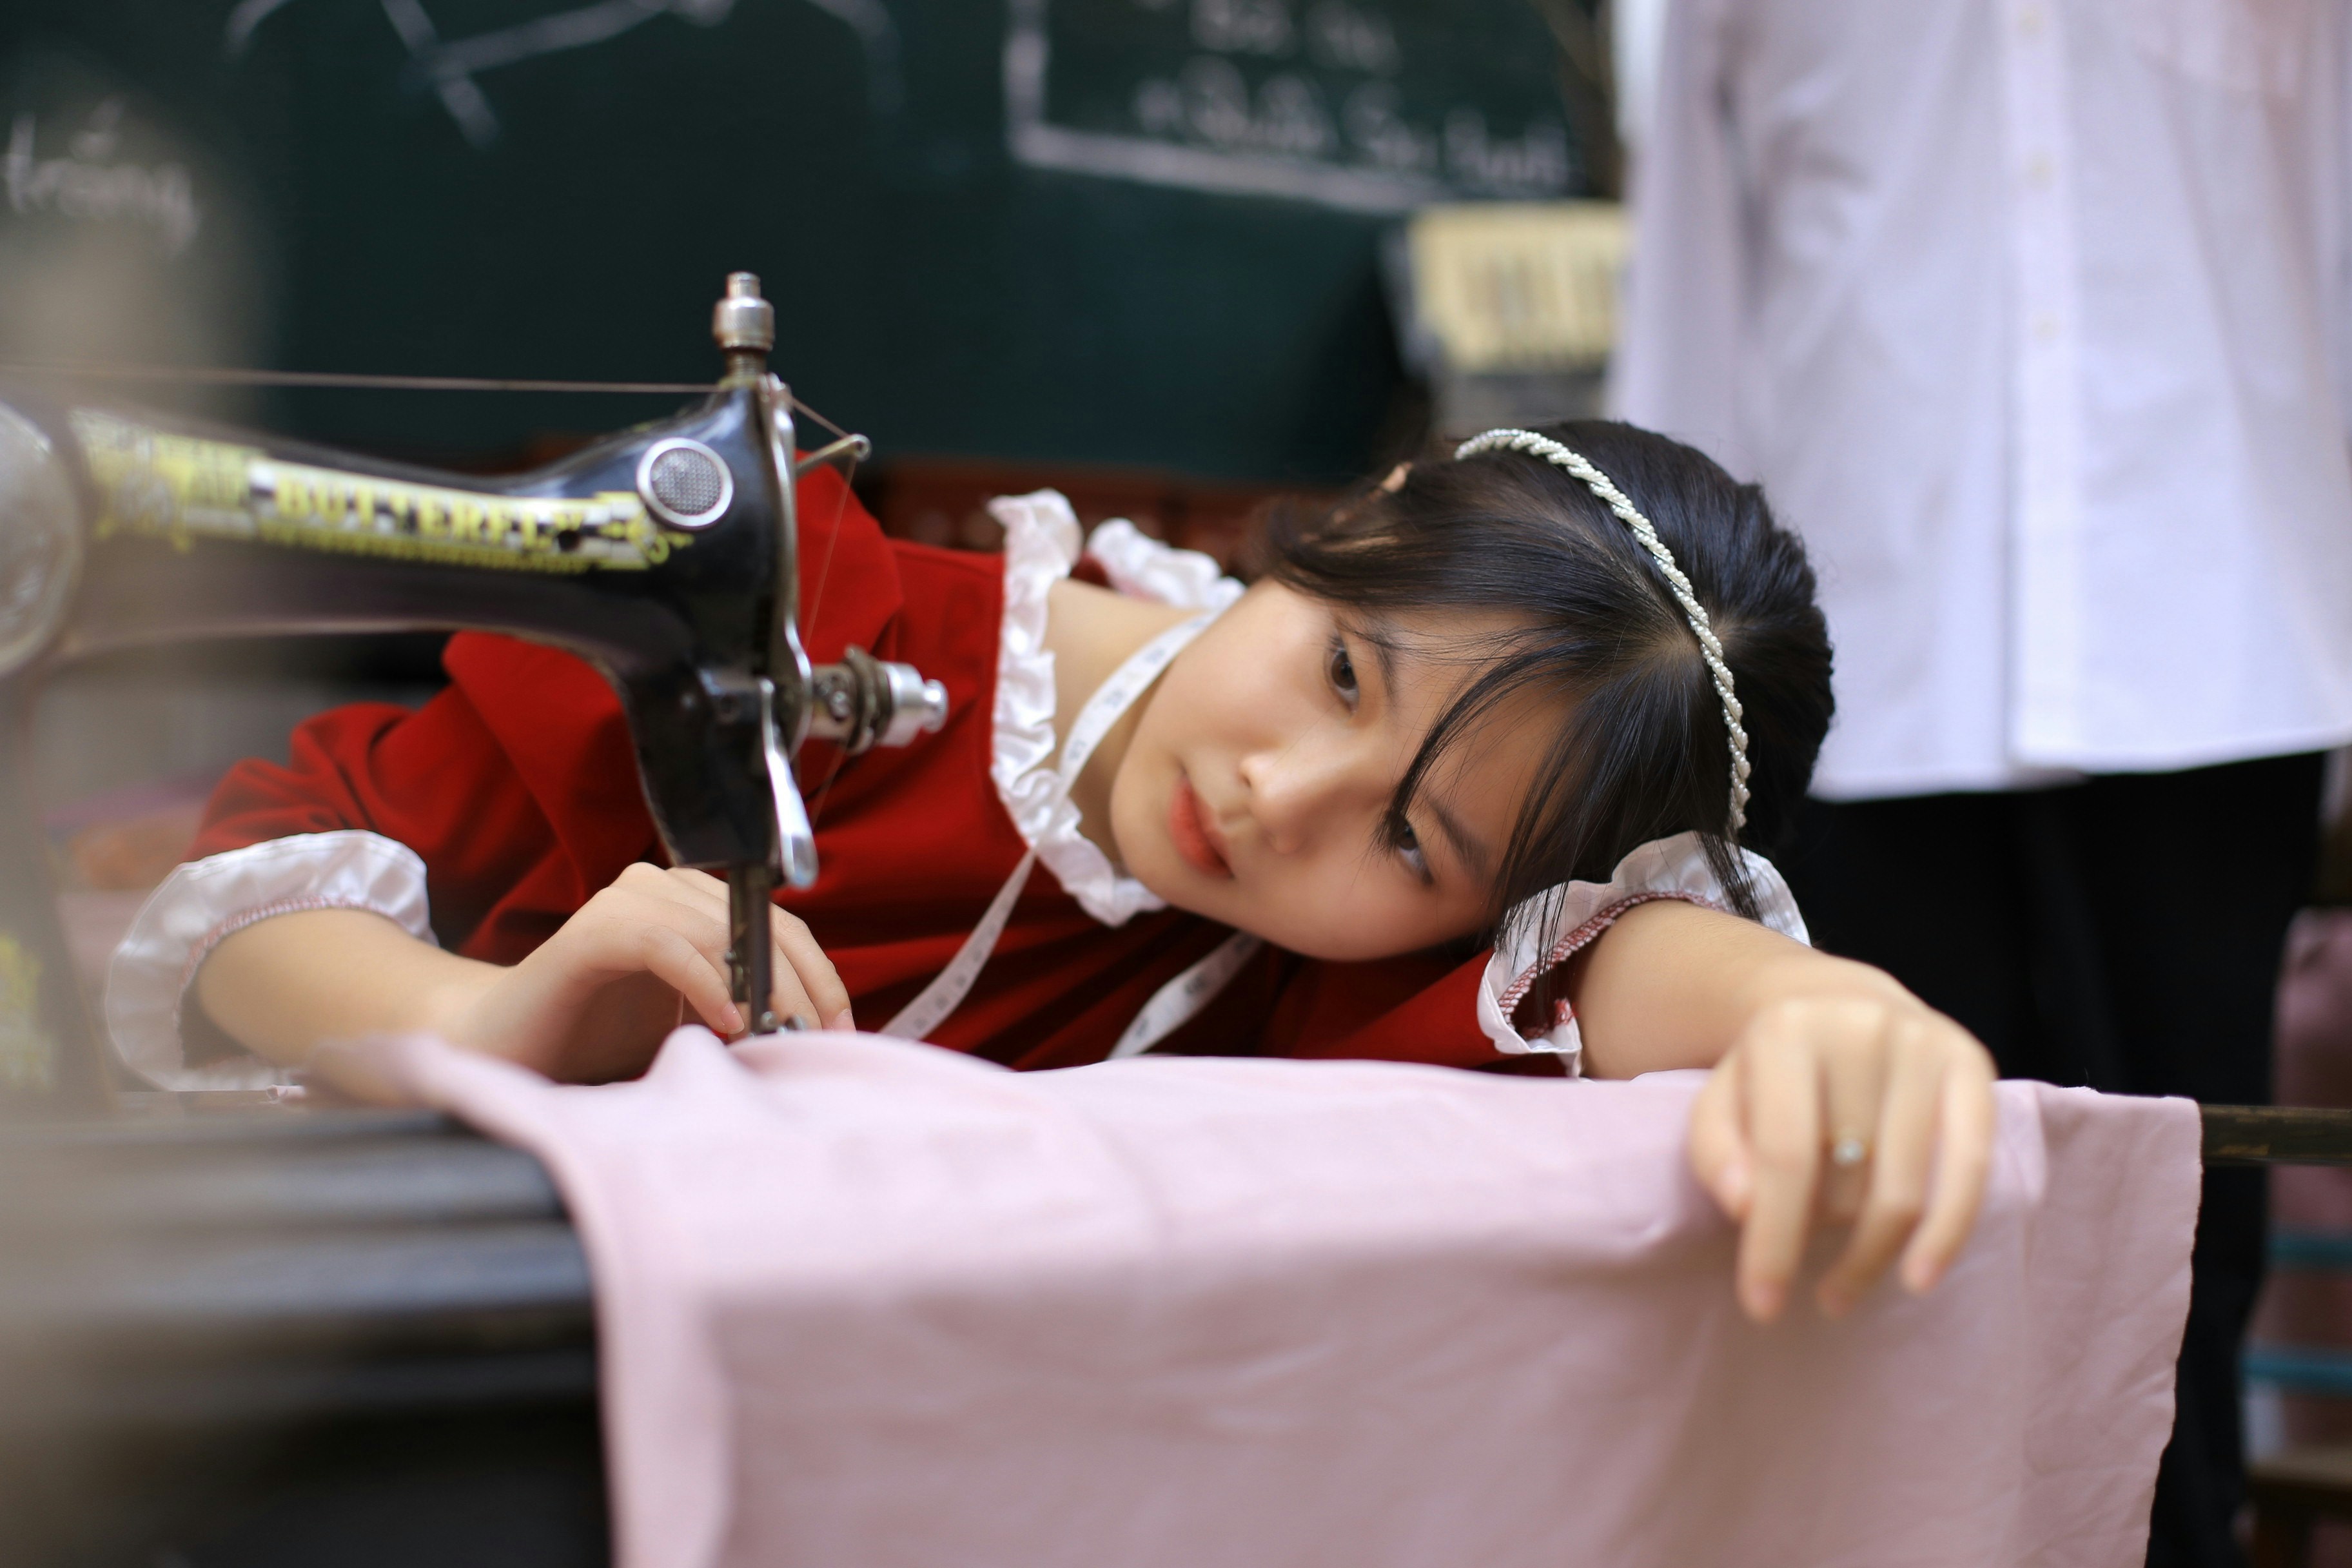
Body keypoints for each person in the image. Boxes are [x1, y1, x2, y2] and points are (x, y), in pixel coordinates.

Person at [111, 418, 1997, 1325]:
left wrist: (1827, 1006)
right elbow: (254, 881)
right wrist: (496, 1018)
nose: (1282, 797)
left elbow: (1623, 970)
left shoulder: (1298, 972)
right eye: (1341, 670)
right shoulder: (818, 622)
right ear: (1370, 518)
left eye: (1413, 840)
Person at [1610, 1, 2352, 1560]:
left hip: (2212, 641)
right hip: (1861, 658)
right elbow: (1693, 295)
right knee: (1874, 1236)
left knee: (2183, 1241)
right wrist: (1671, 658)